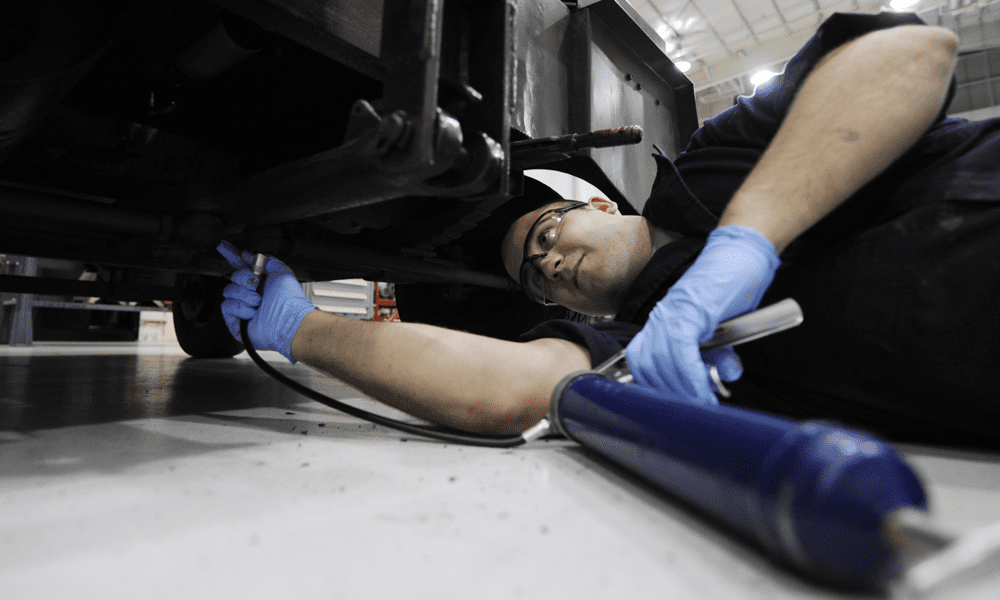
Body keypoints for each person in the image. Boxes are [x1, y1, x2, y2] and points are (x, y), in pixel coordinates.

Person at [219, 12, 1000, 446]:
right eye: (534, 274)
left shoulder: (716, 166)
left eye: (546, 234)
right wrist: (302, 330)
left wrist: (749, 236)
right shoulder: (641, 349)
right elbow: (506, 394)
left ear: (597, 204)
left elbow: (908, 50)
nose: (547, 263)